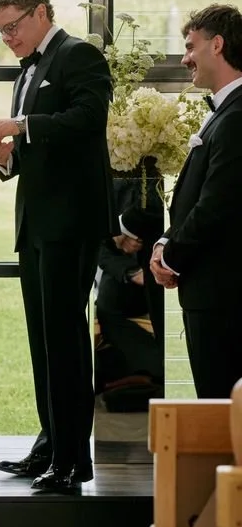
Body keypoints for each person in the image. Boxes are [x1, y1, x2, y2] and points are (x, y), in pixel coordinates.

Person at [0, 0, 115, 494]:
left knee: (63, 340)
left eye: (13, 27)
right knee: (42, 341)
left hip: (70, 223)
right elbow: (32, 149)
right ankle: (50, 444)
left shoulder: (79, 55)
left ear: (41, 13)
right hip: (35, 225)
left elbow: (88, 118)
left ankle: (73, 460)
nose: (8, 38)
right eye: (0, 31)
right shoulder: (27, 71)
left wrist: (22, 126)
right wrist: (5, 157)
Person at [150, 3, 242, 399]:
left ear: (217, 45)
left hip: (224, 295)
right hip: (212, 289)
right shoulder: (226, 112)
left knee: (221, 408)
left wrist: (170, 258)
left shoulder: (236, 117)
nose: (185, 58)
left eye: (191, 46)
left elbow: (217, 206)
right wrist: (165, 241)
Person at [95, 161, 165, 410]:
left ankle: (156, 372)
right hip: (123, 269)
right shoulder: (103, 171)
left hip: (161, 260)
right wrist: (129, 271)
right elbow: (96, 238)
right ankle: (155, 368)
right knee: (106, 305)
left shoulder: (156, 164)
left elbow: (156, 208)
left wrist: (126, 229)